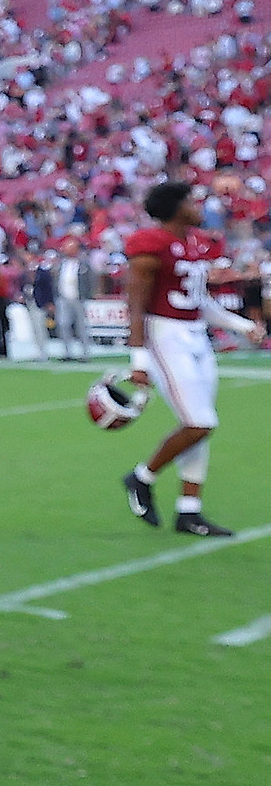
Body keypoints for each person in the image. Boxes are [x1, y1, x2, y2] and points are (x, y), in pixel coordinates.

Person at [120, 179, 262, 536]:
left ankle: (189, 510)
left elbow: (199, 301)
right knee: (200, 422)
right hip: (165, 337)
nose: (197, 205)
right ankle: (141, 477)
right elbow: (135, 305)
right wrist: (138, 358)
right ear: (175, 207)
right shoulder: (150, 244)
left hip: (196, 337)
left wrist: (241, 326)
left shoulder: (192, 244)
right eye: (189, 200)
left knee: (199, 427)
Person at [52, 234, 93, 361]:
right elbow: (55, 281)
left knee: (81, 327)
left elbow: (90, 282)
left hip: (78, 298)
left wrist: (87, 296)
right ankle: (67, 352)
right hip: (63, 298)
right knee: (63, 324)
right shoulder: (60, 265)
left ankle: (85, 353)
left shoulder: (83, 265)